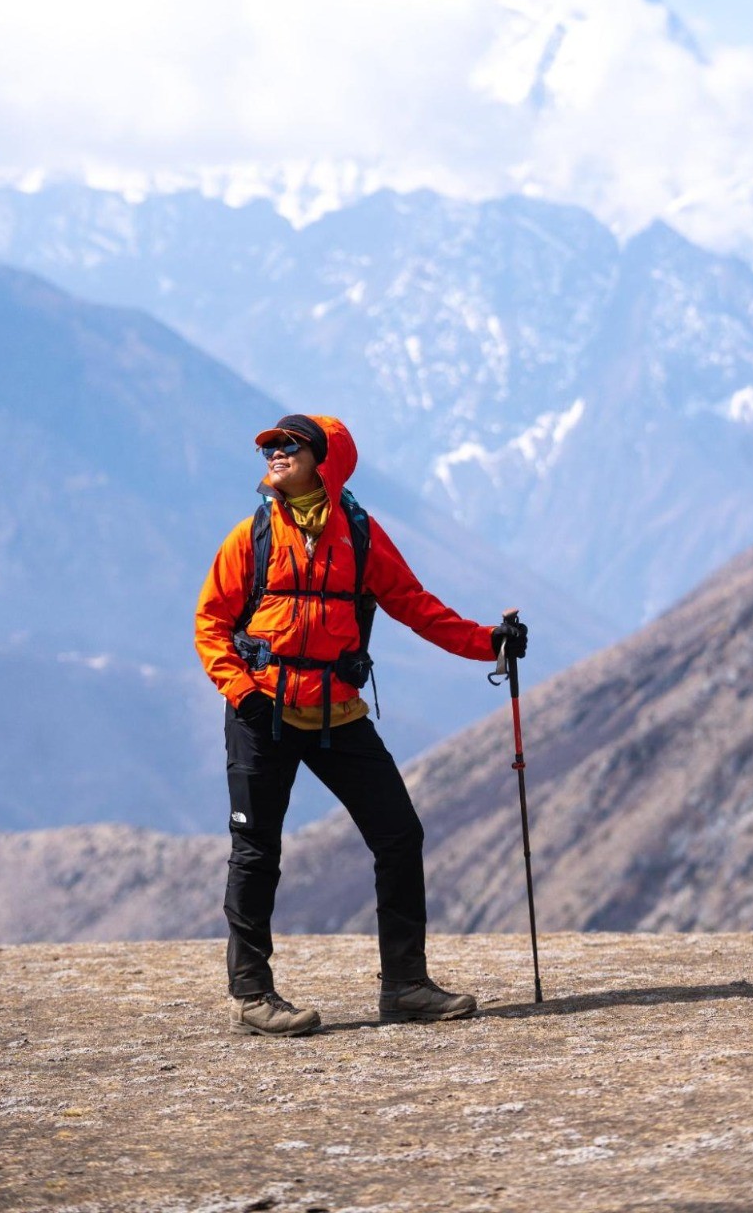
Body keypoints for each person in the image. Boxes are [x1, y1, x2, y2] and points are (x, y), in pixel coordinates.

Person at [194, 413, 527, 1037]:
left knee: (398, 834)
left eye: (290, 445)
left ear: (327, 461)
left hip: (337, 711)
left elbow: (415, 606)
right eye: (270, 446)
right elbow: (210, 624)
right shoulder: (252, 536)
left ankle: (405, 986)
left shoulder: (361, 536)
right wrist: (241, 692)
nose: (274, 453)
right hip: (261, 711)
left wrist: (491, 643)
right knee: (256, 850)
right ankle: (252, 995)